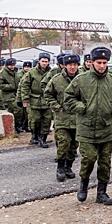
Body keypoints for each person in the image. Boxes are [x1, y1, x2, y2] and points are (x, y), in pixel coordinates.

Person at [63, 47, 112, 206]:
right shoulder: (81, 79)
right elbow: (68, 97)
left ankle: (102, 192)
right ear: (92, 62)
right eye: (99, 62)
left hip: (106, 128)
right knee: (89, 159)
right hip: (86, 128)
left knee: (105, 163)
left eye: (105, 63)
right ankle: (83, 185)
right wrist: (80, 107)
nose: (102, 66)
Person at [44, 54, 81, 182]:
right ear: (65, 65)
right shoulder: (56, 79)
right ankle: (60, 167)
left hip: (78, 119)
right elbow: (48, 94)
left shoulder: (83, 79)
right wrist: (57, 107)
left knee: (74, 145)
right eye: (70, 65)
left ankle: (68, 167)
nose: (72, 67)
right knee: (63, 143)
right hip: (62, 118)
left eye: (75, 65)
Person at [20, 52, 53, 147]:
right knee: (35, 120)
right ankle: (34, 135)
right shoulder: (32, 72)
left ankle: (43, 138)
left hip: (47, 99)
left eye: (46, 61)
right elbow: (25, 86)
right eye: (43, 61)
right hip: (34, 99)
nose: (44, 63)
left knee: (46, 120)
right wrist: (25, 99)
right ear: (39, 61)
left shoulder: (51, 72)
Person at [0, 58, 23, 132]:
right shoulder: (2, 73)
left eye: (13, 65)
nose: (12, 66)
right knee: (17, 108)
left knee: (11, 110)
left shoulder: (16, 72)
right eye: (10, 65)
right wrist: (10, 86)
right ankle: (16, 125)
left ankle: (11, 126)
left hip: (16, 93)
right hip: (7, 94)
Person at [16, 61, 33, 132]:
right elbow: (20, 87)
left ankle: (25, 126)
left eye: (28, 67)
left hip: (29, 95)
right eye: (25, 67)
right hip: (22, 95)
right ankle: (20, 125)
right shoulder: (20, 75)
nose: (27, 68)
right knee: (22, 112)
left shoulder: (31, 74)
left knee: (27, 113)